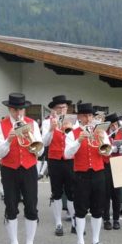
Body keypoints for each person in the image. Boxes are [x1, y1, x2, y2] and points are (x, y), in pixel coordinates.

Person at [0, 93, 42, 244]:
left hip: (29, 168)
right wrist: (9, 140)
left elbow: (40, 150)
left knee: (31, 206)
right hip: (10, 169)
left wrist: (31, 139)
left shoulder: (32, 124)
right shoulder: (0, 126)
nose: (19, 113)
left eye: (21, 109)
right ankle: (14, 243)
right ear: (9, 109)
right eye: (15, 110)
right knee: (11, 206)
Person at [64, 102, 111, 244]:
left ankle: (95, 241)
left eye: (90, 115)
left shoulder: (100, 132)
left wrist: (103, 140)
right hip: (81, 175)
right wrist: (79, 140)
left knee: (98, 209)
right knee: (80, 210)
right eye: (85, 116)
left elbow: (108, 151)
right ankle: (80, 242)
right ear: (79, 117)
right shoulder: (73, 133)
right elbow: (67, 154)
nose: (88, 118)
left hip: (98, 173)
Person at [41, 95, 77, 236]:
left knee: (72, 193)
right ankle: (58, 224)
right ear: (54, 110)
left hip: (70, 160)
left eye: (64, 107)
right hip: (55, 160)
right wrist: (51, 129)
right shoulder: (46, 122)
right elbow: (44, 143)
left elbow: (76, 142)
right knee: (56, 193)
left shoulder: (74, 122)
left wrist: (71, 128)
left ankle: (75, 222)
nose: (62, 109)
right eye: (59, 107)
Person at [103, 112, 122, 230]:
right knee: (106, 193)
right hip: (107, 164)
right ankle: (106, 219)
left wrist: (119, 147)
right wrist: (113, 148)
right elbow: (104, 149)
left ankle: (116, 219)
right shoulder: (104, 134)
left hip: (118, 164)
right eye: (112, 124)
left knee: (117, 194)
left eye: (116, 123)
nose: (115, 126)